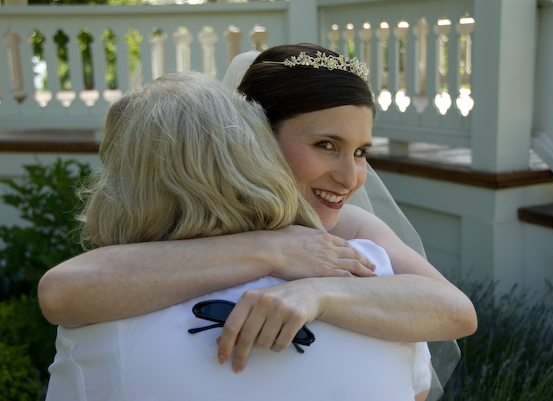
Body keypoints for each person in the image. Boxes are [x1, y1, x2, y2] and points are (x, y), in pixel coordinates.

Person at [38, 44, 477, 396]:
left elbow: (456, 311)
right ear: (256, 136)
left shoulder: (351, 229)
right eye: (325, 145)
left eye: (361, 152)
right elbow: (61, 291)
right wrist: (271, 249)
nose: (350, 178)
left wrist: (319, 292)